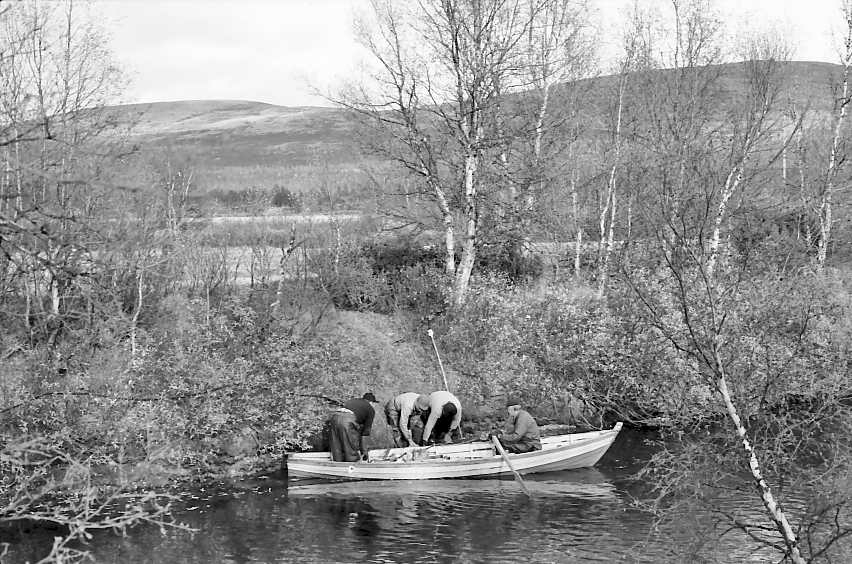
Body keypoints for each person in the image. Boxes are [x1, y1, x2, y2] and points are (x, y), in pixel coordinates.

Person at [329, 392, 376, 462]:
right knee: (350, 447)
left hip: (334, 417)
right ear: (371, 402)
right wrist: (364, 452)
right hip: (347, 420)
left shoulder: (353, 400)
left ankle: (337, 465)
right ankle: (352, 465)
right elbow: (365, 433)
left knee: (337, 446)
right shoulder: (370, 409)